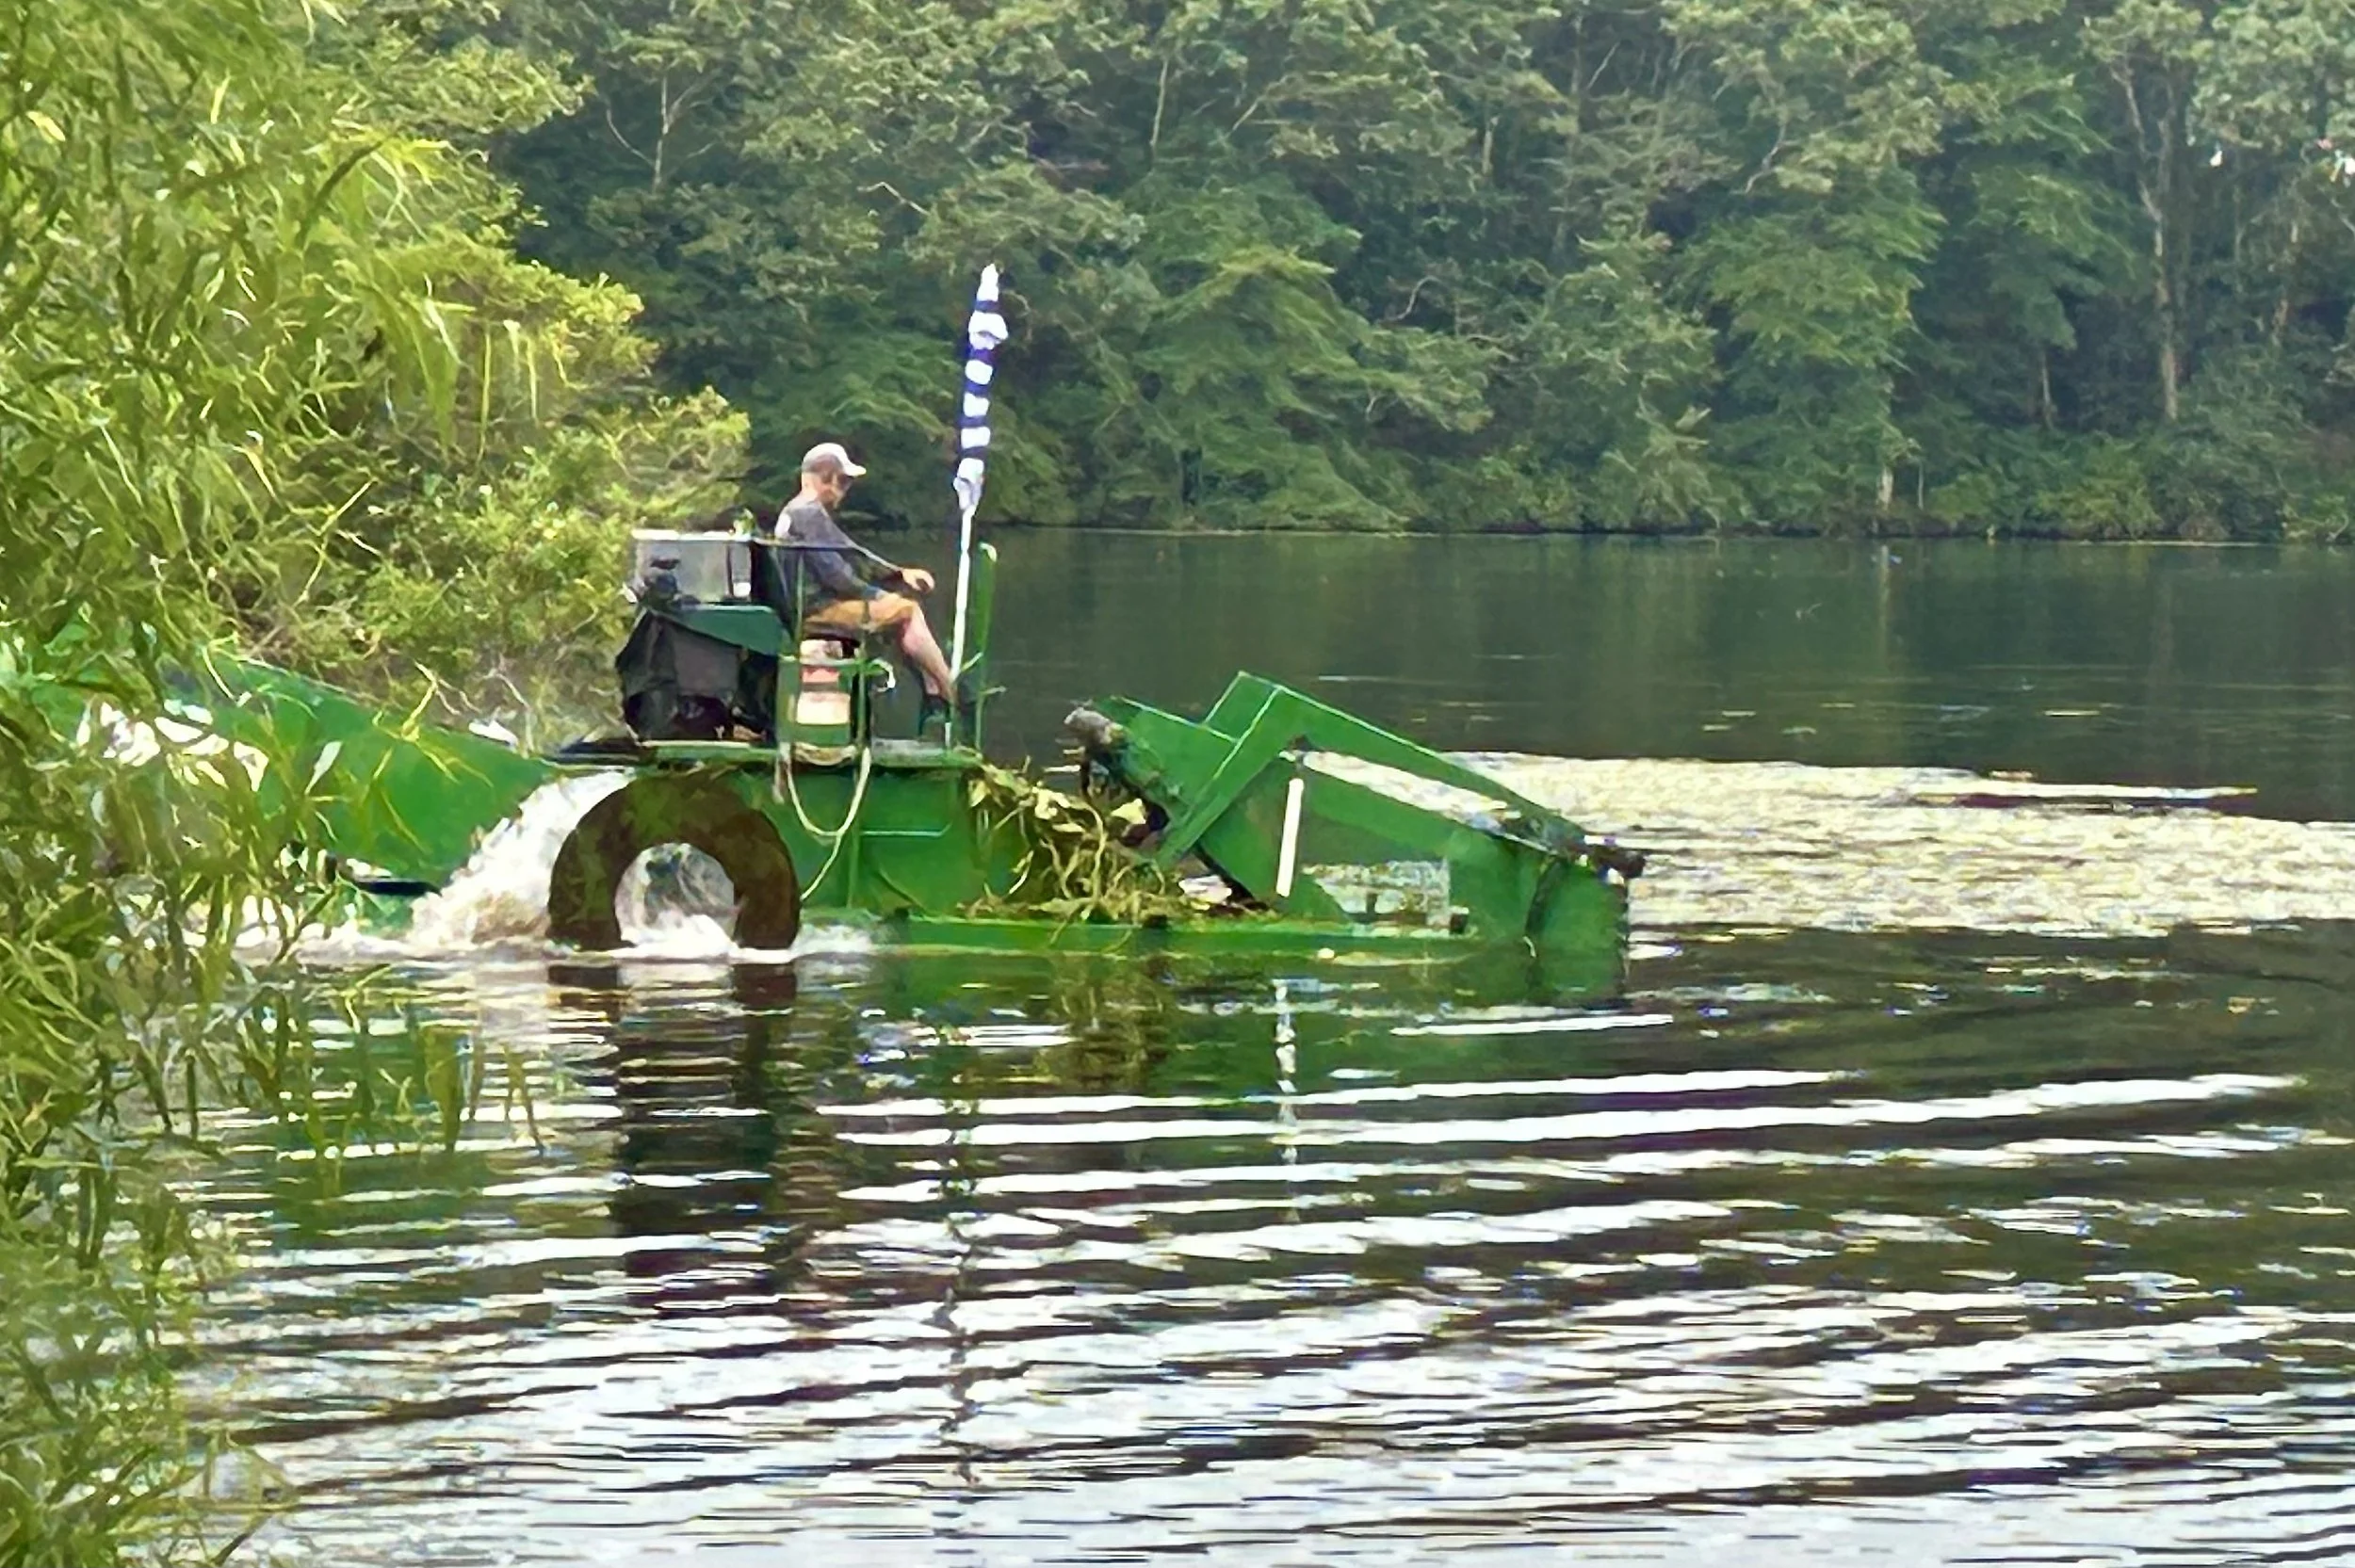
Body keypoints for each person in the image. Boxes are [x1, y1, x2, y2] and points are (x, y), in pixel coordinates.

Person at [772, 441, 969, 731]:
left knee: (898, 614)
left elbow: (852, 552)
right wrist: (877, 595)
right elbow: (837, 577)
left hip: (808, 607)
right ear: (827, 477)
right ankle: (951, 693)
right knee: (907, 611)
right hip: (817, 610)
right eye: (844, 481)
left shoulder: (798, 512)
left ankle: (934, 693)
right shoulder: (808, 513)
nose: (846, 490)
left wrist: (898, 574)